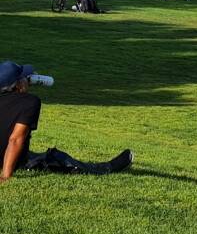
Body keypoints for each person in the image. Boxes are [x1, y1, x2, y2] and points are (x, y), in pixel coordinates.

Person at [0, 61, 132, 181]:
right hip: (11, 158)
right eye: (24, 78)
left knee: (32, 155)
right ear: (18, 85)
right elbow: (15, 139)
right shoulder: (30, 102)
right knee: (56, 158)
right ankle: (106, 168)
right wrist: (6, 175)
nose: (27, 81)